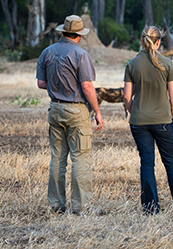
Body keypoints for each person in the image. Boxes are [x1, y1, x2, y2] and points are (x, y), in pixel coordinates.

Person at [36, 15, 105, 215]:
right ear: (79, 35)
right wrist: (98, 112)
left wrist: (58, 87)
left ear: (64, 32)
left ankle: (56, 205)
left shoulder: (47, 52)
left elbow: (41, 83)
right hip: (76, 110)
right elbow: (86, 86)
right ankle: (81, 207)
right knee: (81, 157)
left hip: (55, 109)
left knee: (57, 158)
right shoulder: (80, 54)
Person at [123, 26, 173, 214]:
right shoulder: (167, 63)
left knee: (146, 163)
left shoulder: (132, 64)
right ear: (159, 41)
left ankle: (151, 208)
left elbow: (127, 97)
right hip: (163, 120)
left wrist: (134, 112)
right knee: (171, 162)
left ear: (142, 40)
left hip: (139, 121)